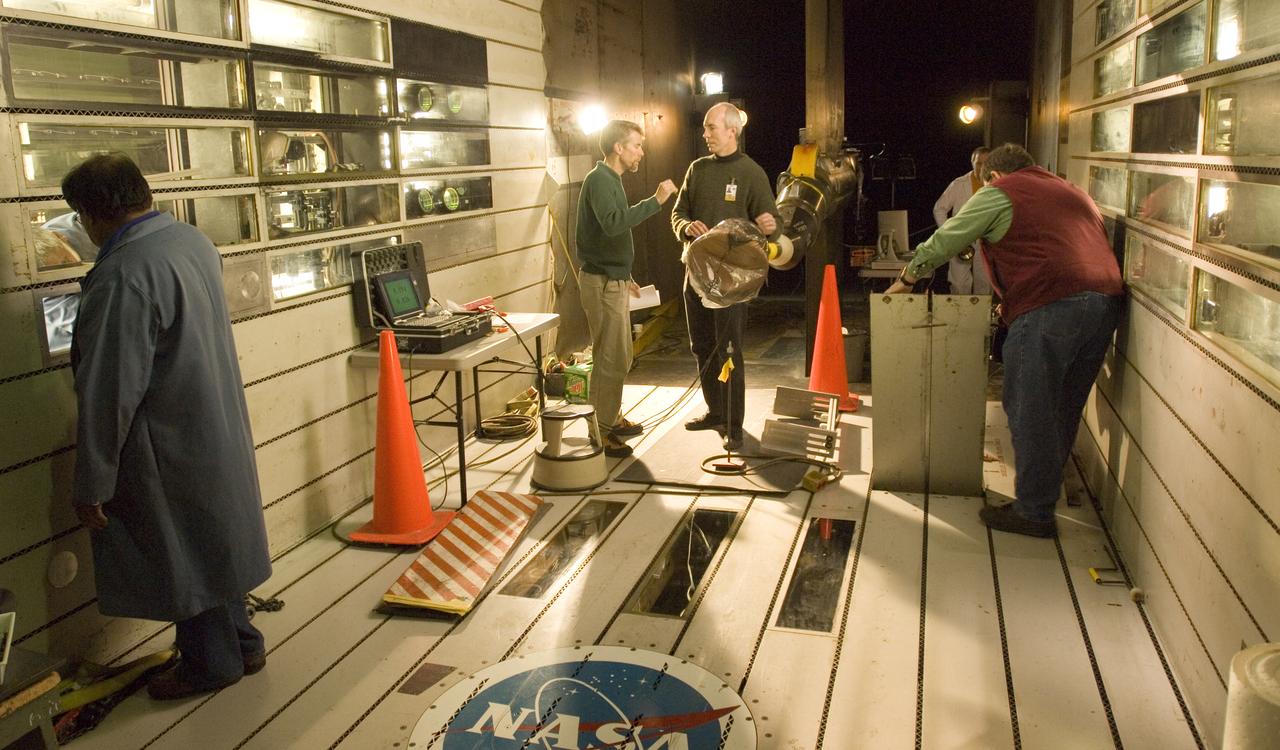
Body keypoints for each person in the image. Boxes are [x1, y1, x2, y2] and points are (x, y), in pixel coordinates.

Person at [66, 153, 272, 700]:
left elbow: (108, 392)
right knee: (211, 539)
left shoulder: (122, 275)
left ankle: (212, 663)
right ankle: (244, 643)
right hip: (210, 422)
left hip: (164, 440)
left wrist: (92, 482)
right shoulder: (191, 241)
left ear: (89, 215)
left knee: (180, 549)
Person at [887, 144, 1124, 538]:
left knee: (1029, 408)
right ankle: (1044, 498)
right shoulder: (1072, 191)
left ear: (993, 175)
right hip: (1104, 306)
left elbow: (950, 235)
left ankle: (1034, 513)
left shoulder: (1001, 192)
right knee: (1062, 407)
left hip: (1051, 304)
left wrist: (909, 276)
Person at [671, 102, 781, 451]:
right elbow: (678, 213)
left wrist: (771, 227)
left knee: (728, 349)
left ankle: (734, 423)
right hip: (696, 274)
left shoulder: (752, 173)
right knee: (701, 346)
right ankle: (715, 412)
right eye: (705, 128)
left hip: (732, 282)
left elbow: (771, 225)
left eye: (711, 128)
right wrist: (686, 226)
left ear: (732, 130)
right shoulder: (697, 169)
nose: (705, 135)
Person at [575, 120, 677, 458]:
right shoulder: (600, 180)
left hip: (612, 278)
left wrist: (625, 272)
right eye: (636, 145)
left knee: (619, 355)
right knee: (610, 359)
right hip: (601, 285)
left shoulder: (610, 179)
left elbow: (607, 236)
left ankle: (610, 417)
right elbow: (615, 223)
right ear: (619, 148)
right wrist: (656, 200)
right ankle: (601, 432)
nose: (640, 152)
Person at [932, 146, 993, 294]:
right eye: (979, 163)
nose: (982, 167)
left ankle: (980, 317)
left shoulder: (997, 186)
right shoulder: (959, 184)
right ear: (972, 162)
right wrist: (949, 232)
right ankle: (960, 316)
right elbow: (939, 208)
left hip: (986, 240)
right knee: (959, 284)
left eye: (987, 163)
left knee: (985, 284)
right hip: (961, 239)